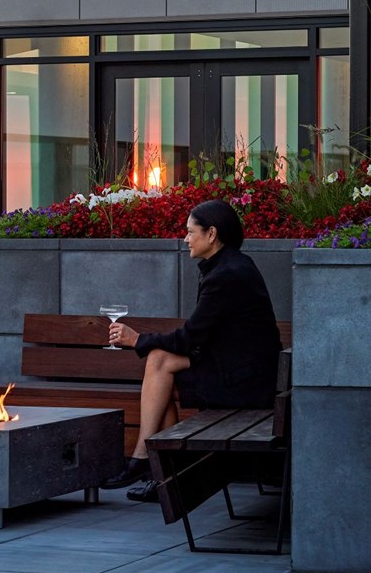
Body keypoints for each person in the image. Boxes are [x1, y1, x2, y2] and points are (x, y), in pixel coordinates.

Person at [103, 200, 281, 500]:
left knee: (160, 367)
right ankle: (163, 474)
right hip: (238, 367)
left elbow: (191, 337)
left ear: (211, 234)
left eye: (190, 232)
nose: (185, 238)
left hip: (246, 383)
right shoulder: (230, 264)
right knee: (160, 364)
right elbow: (202, 335)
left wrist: (137, 340)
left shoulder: (227, 275)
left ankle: (147, 461)